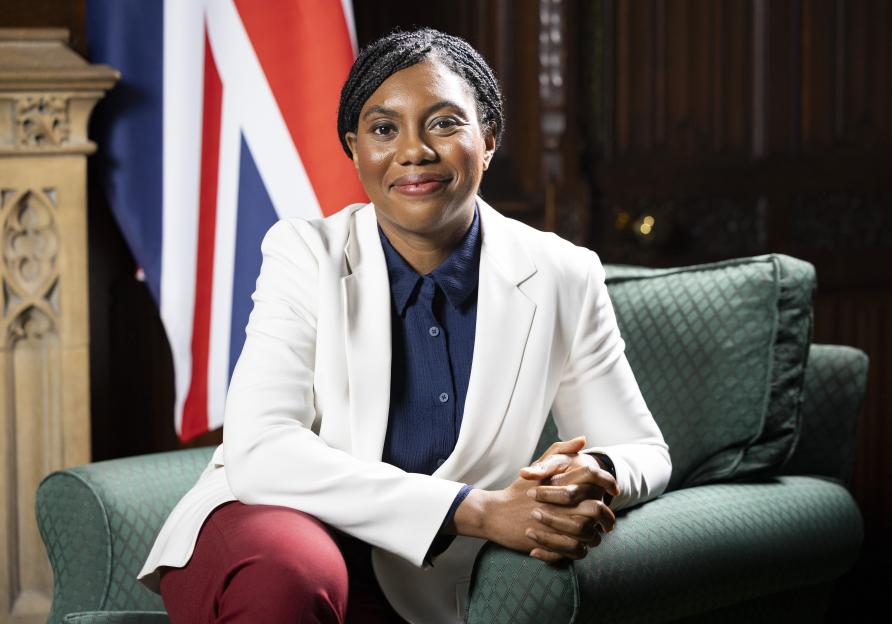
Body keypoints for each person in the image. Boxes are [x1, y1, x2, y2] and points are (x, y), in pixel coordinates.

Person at [137, 27, 671, 624]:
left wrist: (589, 474)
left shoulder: (562, 273)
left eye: (444, 123)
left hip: (425, 578)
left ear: (488, 139)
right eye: (384, 129)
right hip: (272, 526)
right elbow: (261, 452)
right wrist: (480, 511)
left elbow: (641, 449)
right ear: (355, 148)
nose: (413, 150)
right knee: (292, 571)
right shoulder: (303, 252)